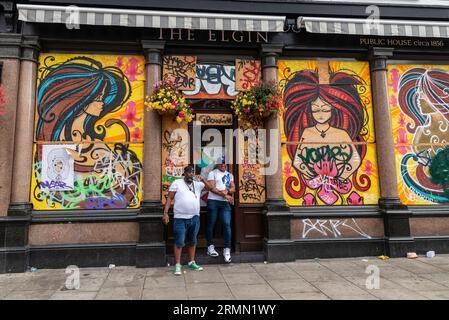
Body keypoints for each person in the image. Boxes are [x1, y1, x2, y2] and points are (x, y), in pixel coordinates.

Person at [163, 165, 223, 275]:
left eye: (192, 172)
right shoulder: (177, 183)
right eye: (189, 172)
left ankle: (191, 262)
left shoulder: (198, 184)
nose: (191, 174)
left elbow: (210, 188)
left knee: (193, 241)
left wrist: (203, 179)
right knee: (179, 242)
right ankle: (177, 265)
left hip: (195, 217)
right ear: (184, 173)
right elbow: (170, 198)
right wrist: (166, 213)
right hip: (180, 218)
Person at [206, 158, 235, 263]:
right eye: (221, 163)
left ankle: (227, 250)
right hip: (213, 201)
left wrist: (227, 191)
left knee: (227, 225)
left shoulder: (230, 175)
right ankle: (210, 247)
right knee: (211, 224)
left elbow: (233, 188)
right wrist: (226, 195)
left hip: (225, 204)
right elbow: (211, 188)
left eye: (225, 163)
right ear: (218, 164)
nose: (223, 165)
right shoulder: (212, 173)